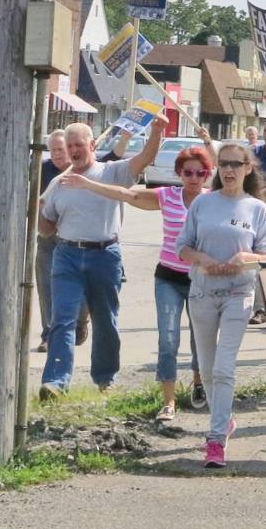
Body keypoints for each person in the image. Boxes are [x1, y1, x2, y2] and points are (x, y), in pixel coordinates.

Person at [58, 144, 214, 421]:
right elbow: (128, 195)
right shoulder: (167, 196)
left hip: (201, 280)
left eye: (199, 172)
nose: (193, 177)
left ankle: (199, 382)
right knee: (168, 339)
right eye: (187, 172)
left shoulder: (214, 201)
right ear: (179, 173)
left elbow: (252, 200)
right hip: (168, 278)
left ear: (207, 175)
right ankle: (168, 401)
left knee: (200, 338)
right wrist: (87, 183)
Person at [37, 117, 166, 399]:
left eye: (78, 144)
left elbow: (145, 158)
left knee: (105, 320)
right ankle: (56, 383)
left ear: (92, 145)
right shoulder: (59, 183)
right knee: (62, 320)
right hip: (67, 255)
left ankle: (105, 377)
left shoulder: (112, 172)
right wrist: (40, 210)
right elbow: (45, 229)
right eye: (69, 146)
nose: (73, 150)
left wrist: (157, 131)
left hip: (104, 255)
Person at [177, 143, 266, 468]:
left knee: (223, 367)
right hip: (203, 292)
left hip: (238, 294)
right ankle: (225, 418)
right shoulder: (203, 203)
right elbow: (183, 247)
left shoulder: (257, 209)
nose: (229, 170)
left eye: (236, 164)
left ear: (248, 168)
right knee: (206, 370)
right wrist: (203, 258)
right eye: (224, 164)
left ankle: (216, 440)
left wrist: (246, 258)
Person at [35, 130, 88, 353]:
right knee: (46, 287)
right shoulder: (41, 169)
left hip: (77, 241)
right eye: (53, 150)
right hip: (49, 240)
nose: (57, 154)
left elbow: (114, 157)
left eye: (61, 149)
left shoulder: (83, 170)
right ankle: (49, 334)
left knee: (83, 289)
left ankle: (80, 321)